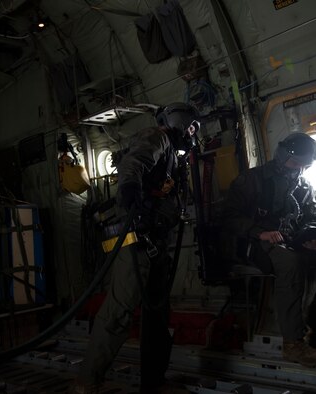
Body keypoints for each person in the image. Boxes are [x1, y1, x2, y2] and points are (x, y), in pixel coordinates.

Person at [73, 102, 200, 393]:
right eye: (192, 126)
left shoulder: (174, 157)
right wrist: (130, 191)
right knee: (119, 309)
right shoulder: (158, 138)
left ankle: (153, 381)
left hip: (157, 242)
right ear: (179, 122)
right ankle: (87, 381)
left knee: (157, 313)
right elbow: (134, 164)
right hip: (138, 241)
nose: (193, 133)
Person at [221, 132, 316, 367]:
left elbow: (311, 215)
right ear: (282, 155)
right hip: (257, 243)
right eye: (295, 163)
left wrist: (313, 235)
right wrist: (259, 232)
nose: (298, 169)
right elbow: (228, 217)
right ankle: (293, 344)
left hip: (293, 239)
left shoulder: (304, 184)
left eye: (304, 165)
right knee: (290, 261)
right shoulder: (252, 180)